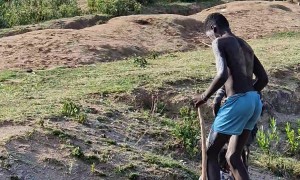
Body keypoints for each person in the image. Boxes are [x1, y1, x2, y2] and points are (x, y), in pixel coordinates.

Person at [193, 13, 268, 180]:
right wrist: (248, 95)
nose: (210, 39)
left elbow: (221, 75)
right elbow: (263, 79)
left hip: (238, 101)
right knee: (233, 157)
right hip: (254, 102)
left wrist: (204, 97)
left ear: (214, 29)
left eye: (210, 36)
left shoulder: (219, 42)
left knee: (210, 153)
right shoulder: (246, 45)